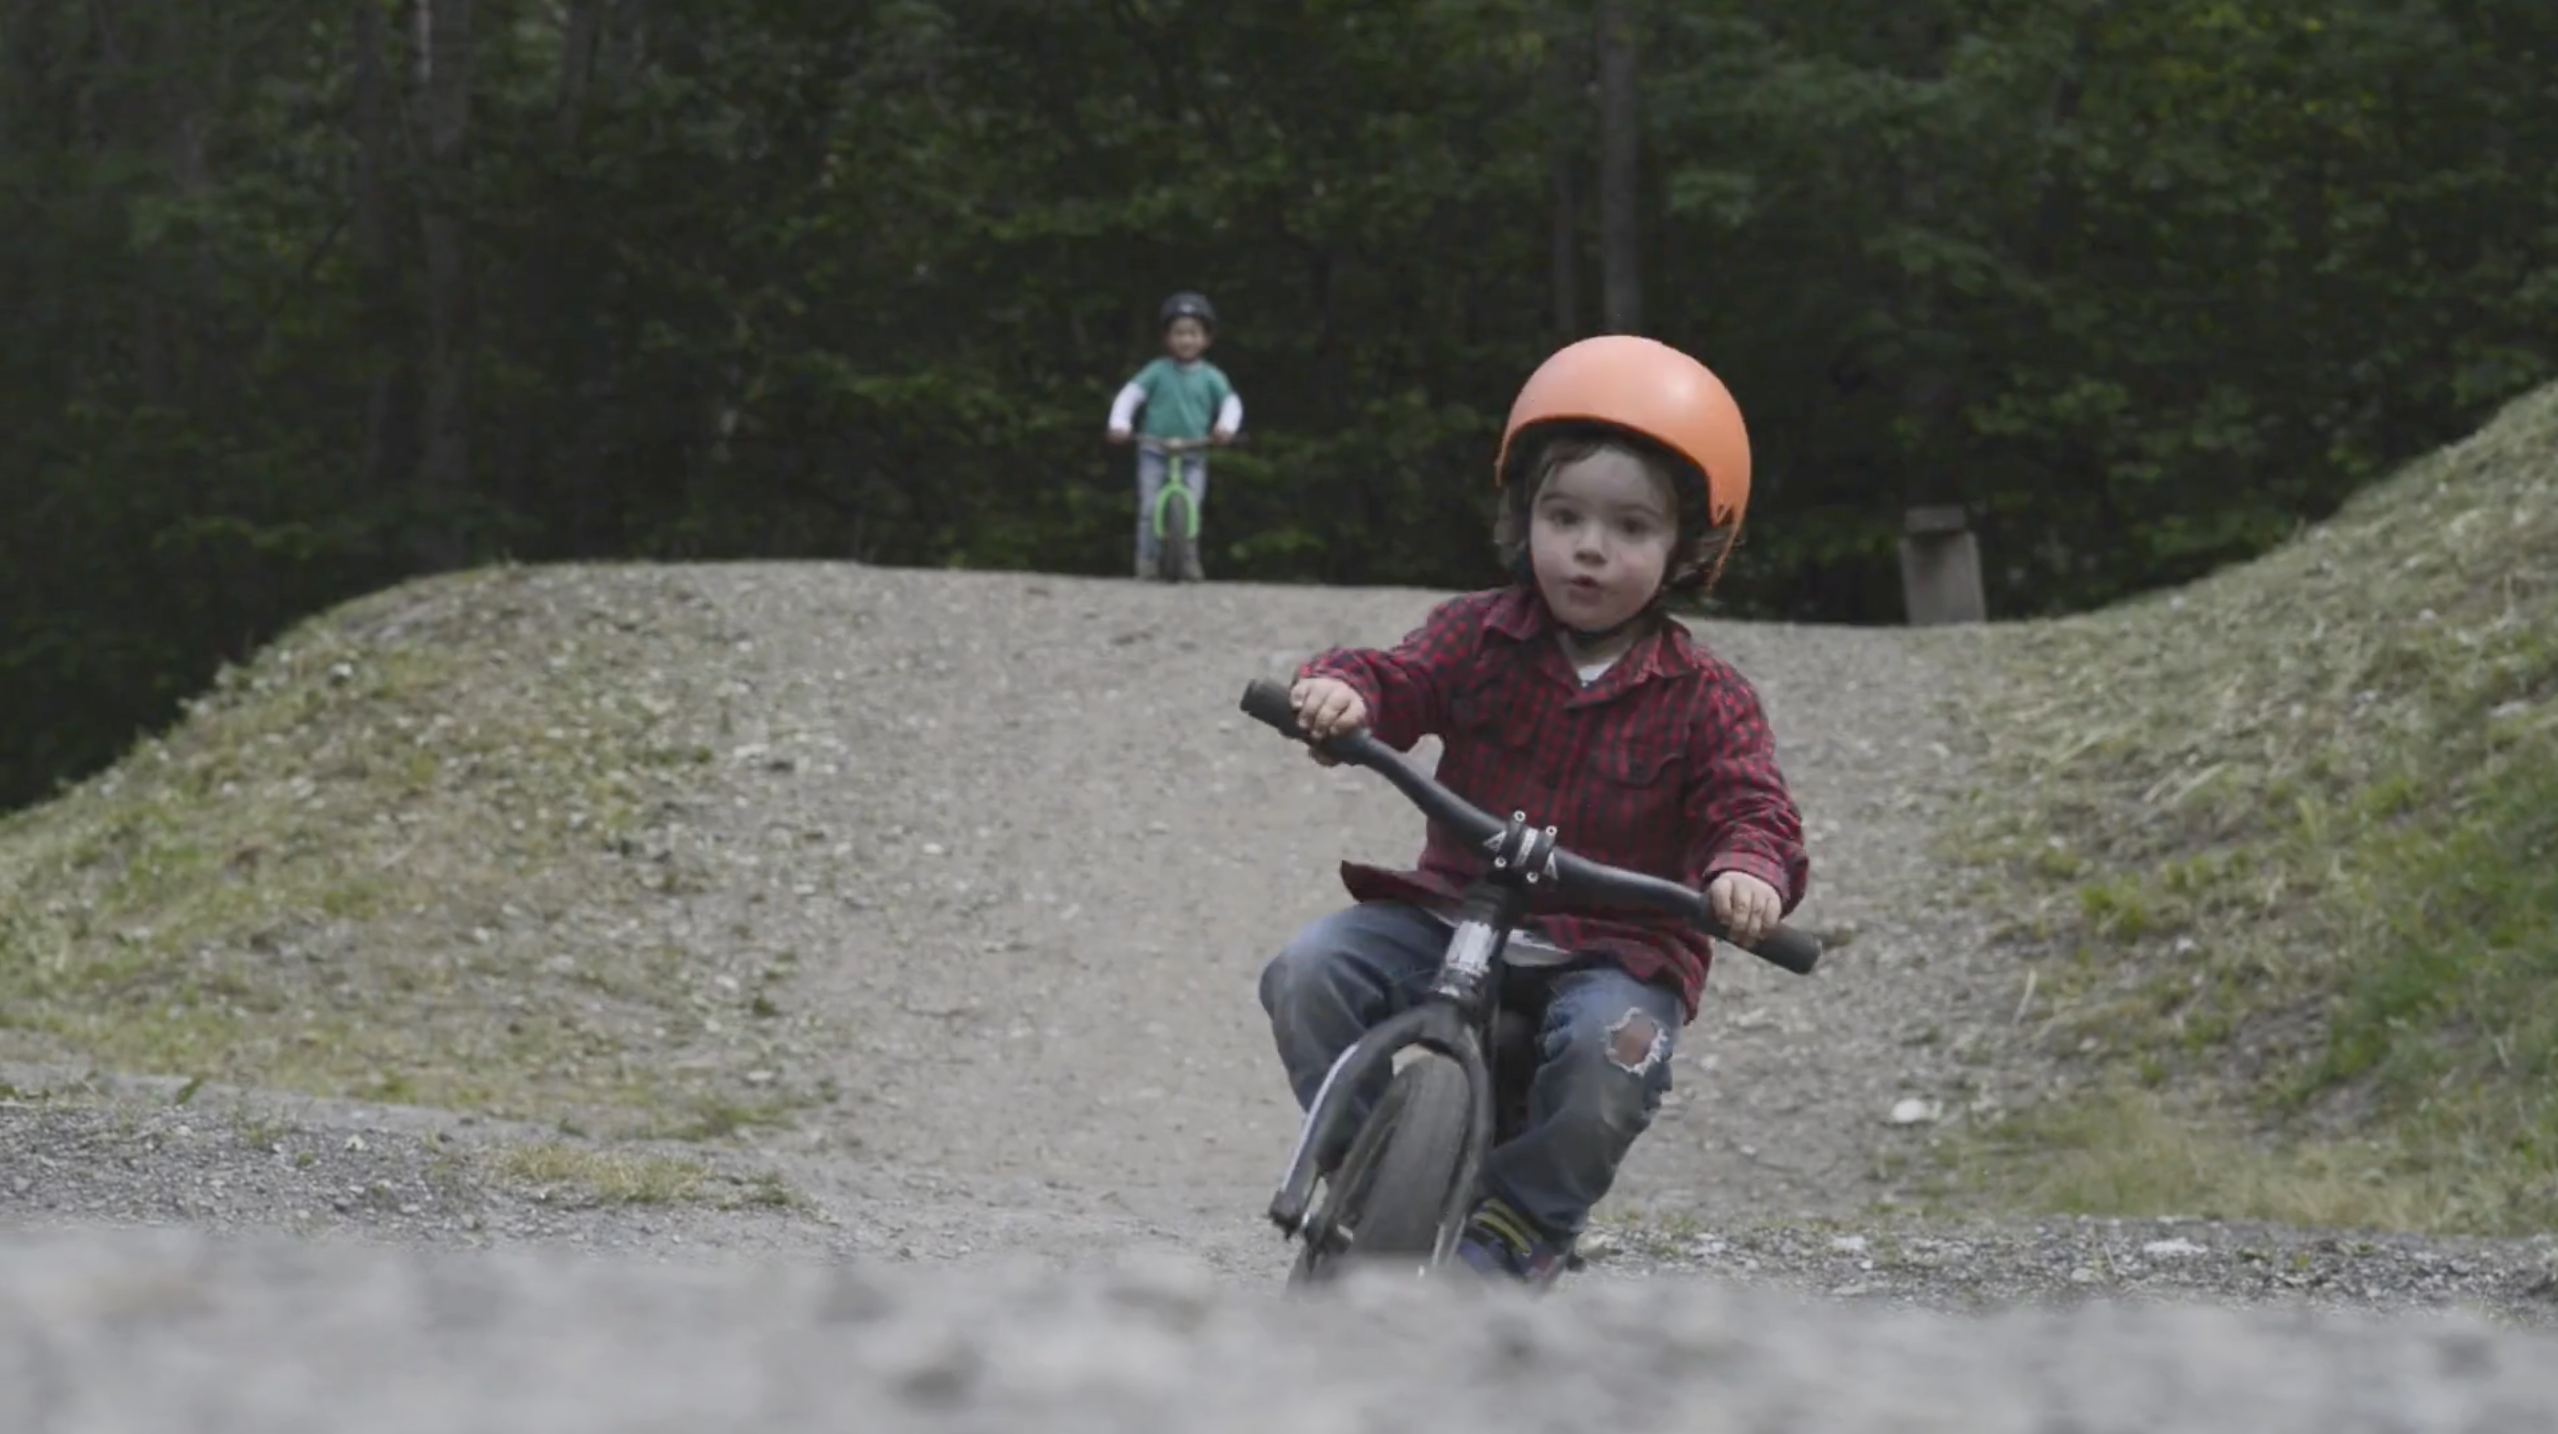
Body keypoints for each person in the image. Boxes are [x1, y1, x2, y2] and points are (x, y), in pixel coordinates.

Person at [1258, 334, 1811, 1287]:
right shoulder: (1478, 633)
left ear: (1690, 548)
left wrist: (1748, 870)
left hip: (1613, 946)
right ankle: (1362, 1164)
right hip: (1452, 911)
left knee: (1617, 1056)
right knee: (1309, 969)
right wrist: (1345, 695)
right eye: (1566, 516)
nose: (1590, 548)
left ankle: (1523, 1222)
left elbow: (1749, 802)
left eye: (1631, 529)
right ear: (1527, 517)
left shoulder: (1707, 695)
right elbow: (1401, 678)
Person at [1106, 291, 1242, 579]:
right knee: (1149, 506)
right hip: (1155, 449)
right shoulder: (1157, 371)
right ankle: (1147, 561)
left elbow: (1231, 402)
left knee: (1192, 505)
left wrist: (1226, 427)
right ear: (1167, 338)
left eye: (1193, 333)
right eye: (1179, 333)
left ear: (1206, 339)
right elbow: (1131, 395)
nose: (1186, 340)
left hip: (1194, 452)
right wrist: (1120, 423)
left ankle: (1189, 559)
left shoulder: (1211, 377)